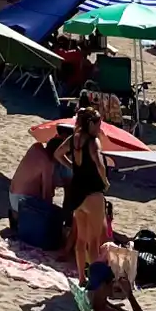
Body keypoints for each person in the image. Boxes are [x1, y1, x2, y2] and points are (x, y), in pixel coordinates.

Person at [55, 107, 109, 281]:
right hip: (92, 193)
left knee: (81, 240)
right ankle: (94, 281)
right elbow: (99, 164)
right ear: (91, 124)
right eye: (99, 124)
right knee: (93, 243)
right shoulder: (93, 142)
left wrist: (72, 166)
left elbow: (58, 154)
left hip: (77, 193)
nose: (100, 127)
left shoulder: (73, 139)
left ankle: (81, 278)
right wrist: (105, 181)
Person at [9, 125, 71, 228]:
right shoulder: (47, 163)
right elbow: (47, 195)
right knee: (55, 216)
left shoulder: (35, 147)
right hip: (23, 202)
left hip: (13, 195)